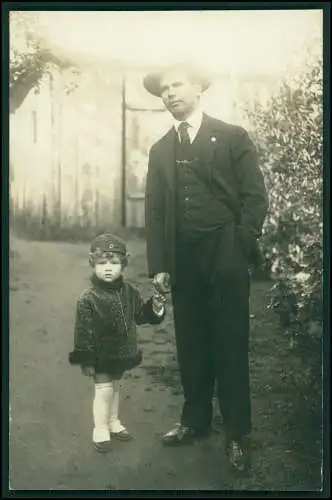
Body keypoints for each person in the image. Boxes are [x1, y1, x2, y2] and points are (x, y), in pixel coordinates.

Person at [143, 63, 269, 472]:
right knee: (191, 343)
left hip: (225, 253)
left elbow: (255, 197)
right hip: (184, 259)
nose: (170, 93)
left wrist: (239, 243)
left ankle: (237, 434)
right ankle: (194, 422)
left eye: (177, 84)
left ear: (198, 88)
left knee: (229, 343)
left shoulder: (231, 137)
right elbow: (156, 210)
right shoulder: (161, 149)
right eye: (164, 89)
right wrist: (160, 264)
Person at [68, 233, 166, 453]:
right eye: (102, 263)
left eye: (114, 262)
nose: (108, 268)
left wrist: (156, 305)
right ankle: (100, 428)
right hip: (100, 354)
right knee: (103, 390)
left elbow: (140, 316)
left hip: (122, 352)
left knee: (114, 387)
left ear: (124, 264)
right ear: (93, 264)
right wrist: (86, 359)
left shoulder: (129, 292)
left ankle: (113, 421)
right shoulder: (88, 298)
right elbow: (82, 332)